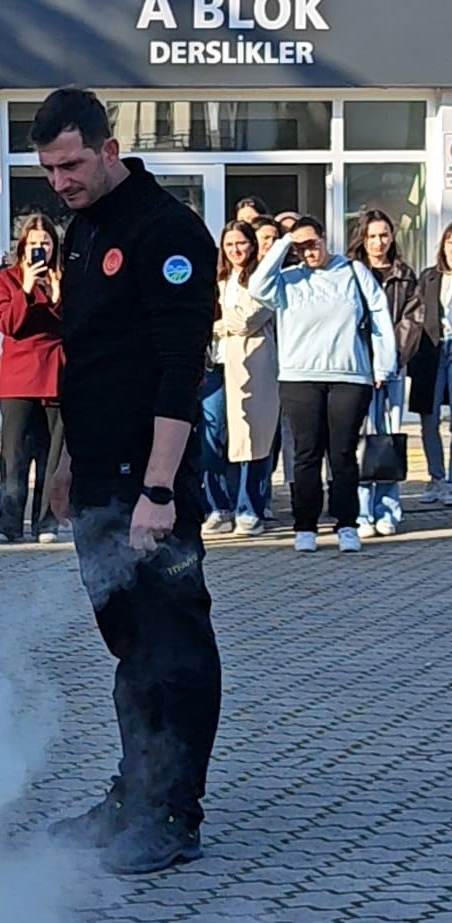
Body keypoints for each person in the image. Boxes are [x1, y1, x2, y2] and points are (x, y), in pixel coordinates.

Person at [32, 89, 221, 877]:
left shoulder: (167, 231)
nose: (60, 181)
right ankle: (134, 790)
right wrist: (70, 458)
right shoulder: (83, 232)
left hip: (153, 484)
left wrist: (158, 490)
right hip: (101, 475)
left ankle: (174, 812)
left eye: (72, 164)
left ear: (110, 149)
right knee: (128, 643)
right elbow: (88, 361)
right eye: (47, 169)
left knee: (172, 643)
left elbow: (180, 370)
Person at [249, 216, 396, 554]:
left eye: (313, 244)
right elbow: (257, 287)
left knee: (342, 454)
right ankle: (305, 525)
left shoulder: (353, 272)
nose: (309, 252)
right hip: (300, 378)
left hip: (349, 376)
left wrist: (382, 365)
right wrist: (285, 243)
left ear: (325, 239)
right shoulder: (286, 279)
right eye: (301, 247)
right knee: (306, 454)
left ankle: (346, 523)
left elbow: (379, 315)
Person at [0, 214, 65, 543]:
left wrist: (59, 293)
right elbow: (7, 323)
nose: (40, 250)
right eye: (34, 244)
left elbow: (76, 324)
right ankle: (8, 524)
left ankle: (46, 522)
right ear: (23, 247)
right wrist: (27, 287)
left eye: (45, 243)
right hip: (18, 378)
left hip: (56, 375)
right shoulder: (6, 280)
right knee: (14, 454)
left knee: (52, 455)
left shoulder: (66, 278)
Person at [201, 222, 278, 537]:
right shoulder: (216, 278)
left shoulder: (263, 279)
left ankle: (250, 509)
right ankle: (218, 507)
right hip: (215, 366)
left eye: (242, 243)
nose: (236, 250)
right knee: (210, 441)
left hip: (251, 365)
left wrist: (217, 323)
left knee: (251, 440)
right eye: (230, 244)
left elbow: (248, 320)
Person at [347, 208, 421, 536]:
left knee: (388, 435)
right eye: (373, 236)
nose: (379, 242)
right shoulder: (349, 272)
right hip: (357, 368)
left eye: (384, 235)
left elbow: (413, 320)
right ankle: (361, 511)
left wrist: (390, 359)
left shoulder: (404, 274)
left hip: (391, 370)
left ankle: (388, 508)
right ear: (362, 238)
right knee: (360, 437)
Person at [410, 219, 452, 504]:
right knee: (429, 418)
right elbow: (414, 316)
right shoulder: (429, 277)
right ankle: (436, 478)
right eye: (450, 243)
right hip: (432, 352)